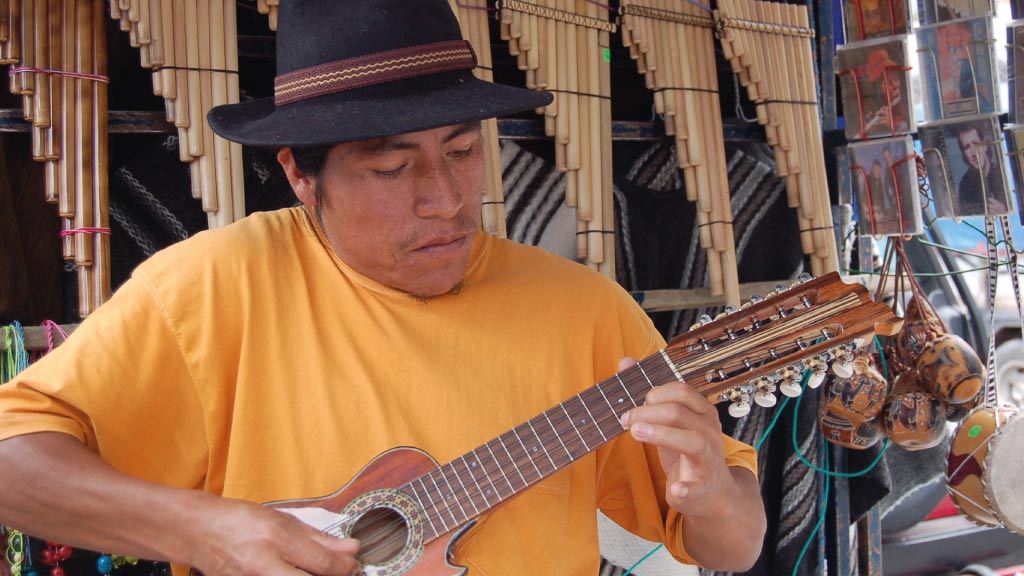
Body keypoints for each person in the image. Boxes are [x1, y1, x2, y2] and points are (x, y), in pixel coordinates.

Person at [0, 2, 766, 576]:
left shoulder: (587, 311)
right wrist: (198, 528)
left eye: (464, 152)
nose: (447, 198)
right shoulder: (212, 288)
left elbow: (733, 548)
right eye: (391, 168)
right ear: (301, 172)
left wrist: (713, 501)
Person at [956, 121, 1008, 216]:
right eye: (967, 147)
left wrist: (1004, 210)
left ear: (985, 145)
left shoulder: (1002, 174)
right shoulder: (965, 184)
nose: (973, 153)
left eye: (976, 144)